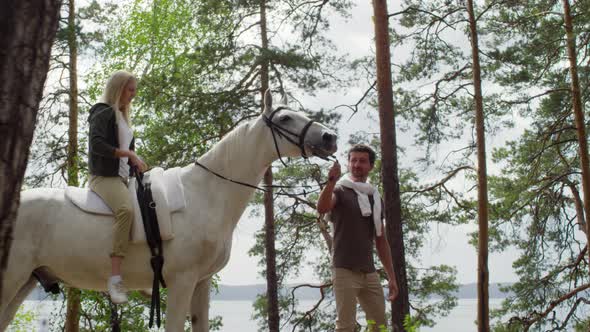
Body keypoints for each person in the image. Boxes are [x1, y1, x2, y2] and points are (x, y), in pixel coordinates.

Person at [317, 144, 399, 331]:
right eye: (353, 160)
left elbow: (381, 240)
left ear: (370, 166)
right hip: (344, 269)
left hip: (369, 272)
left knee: (379, 326)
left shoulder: (375, 197)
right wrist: (330, 182)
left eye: (362, 161)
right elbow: (322, 208)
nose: (356, 164)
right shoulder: (339, 190)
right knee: (345, 326)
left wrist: (391, 277)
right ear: (348, 164)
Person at [88, 70, 147, 304]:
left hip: (122, 179)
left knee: (148, 208)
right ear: (119, 88)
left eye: (134, 90)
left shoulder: (123, 118)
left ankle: (143, 276)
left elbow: (125, 158)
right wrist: (129, 153)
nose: (133, 94)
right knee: (126, 211)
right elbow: (96, 145)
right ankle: (114, 278)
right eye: (130, 89)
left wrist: (136, 166)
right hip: (103, 178)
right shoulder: (102, 112)